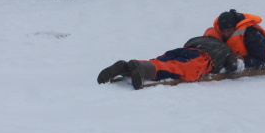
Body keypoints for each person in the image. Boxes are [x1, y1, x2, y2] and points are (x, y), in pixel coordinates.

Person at [97, 35, 239, 90]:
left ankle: (127, 67)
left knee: (161, 61)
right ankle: (140, 68)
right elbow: (233, 67)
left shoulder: (203, 38)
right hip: (200, 58)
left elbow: (188, 42)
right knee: (175, 69)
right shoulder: (226, 49)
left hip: (185, 49)